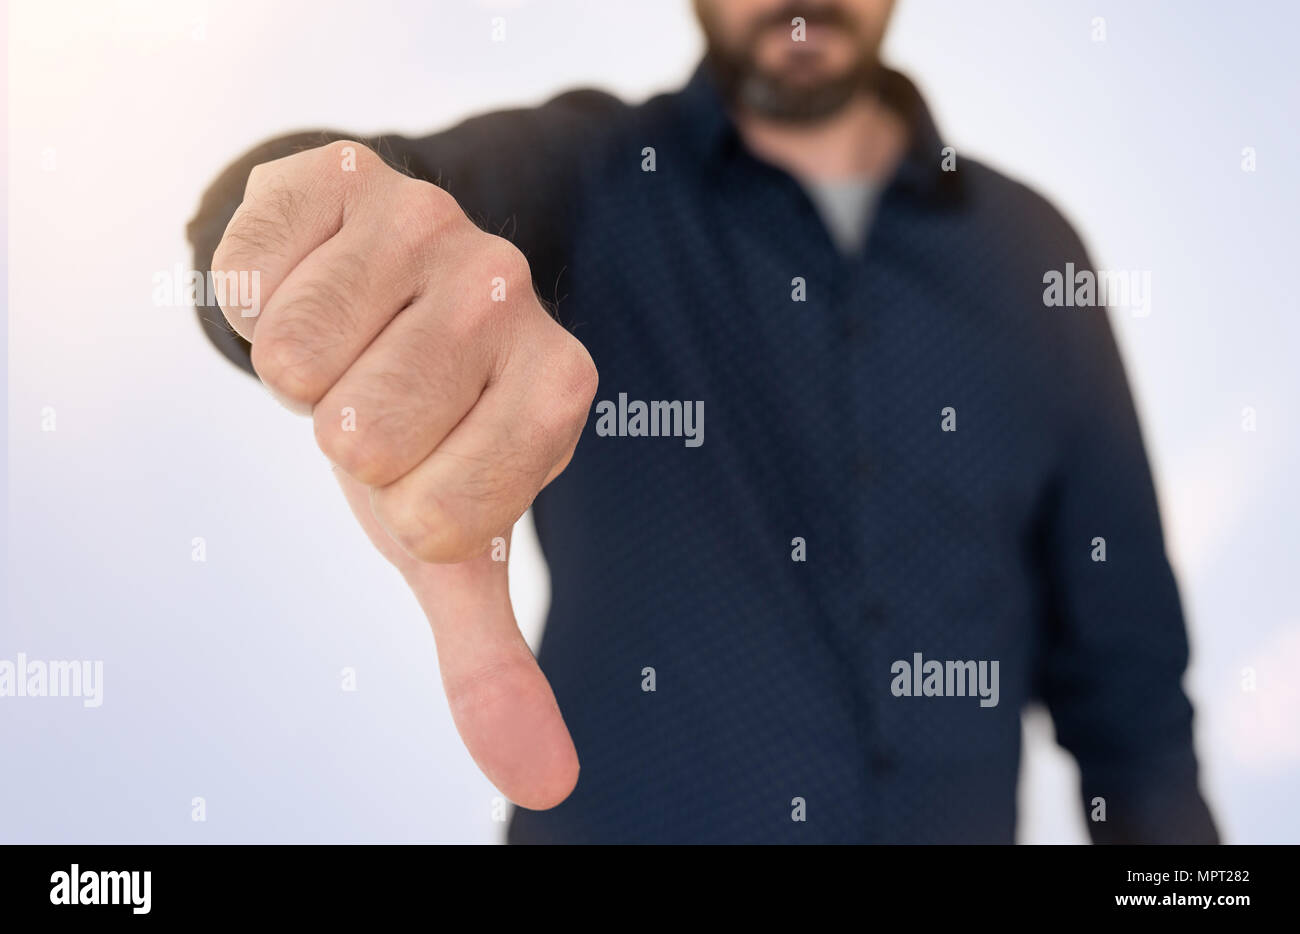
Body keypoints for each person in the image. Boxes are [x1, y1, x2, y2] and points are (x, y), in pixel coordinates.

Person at [188, 0, 1218, 843]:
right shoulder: (590, 174)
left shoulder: (1034, 256)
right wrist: (310, 233)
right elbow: (350, 192)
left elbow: (1129, 701)